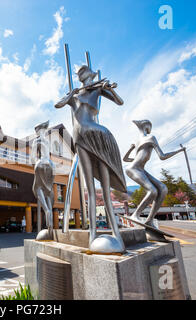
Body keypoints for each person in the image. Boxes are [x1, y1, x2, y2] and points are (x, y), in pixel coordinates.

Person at [55, 65, 126, 254]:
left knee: (105, 186)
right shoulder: (76, 96)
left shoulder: (99, 89)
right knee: (90, 190)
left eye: (84, 74)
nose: (82, 78)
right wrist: (69, 95)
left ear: (90, 76)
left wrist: (109, 88)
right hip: (80, 137)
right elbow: (58, 104)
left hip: (97, 134)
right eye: (80, 75)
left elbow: (120, 102)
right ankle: (93, 235)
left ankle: (117, 235)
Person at [123, 120, 185, 228]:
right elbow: (162, 156)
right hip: (134, 169)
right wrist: (178, 151)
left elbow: (126, 158)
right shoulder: (151, 138)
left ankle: (149, 220)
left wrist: (131, 148)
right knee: (152, 191)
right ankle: (135, 215)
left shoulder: (137, 141)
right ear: (147, 128)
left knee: (163, 188)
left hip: (139, 169)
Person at [30, 120, 55, 240]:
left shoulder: (37, 140)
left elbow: (32, 157)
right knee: (48, 190)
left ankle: (46, 209)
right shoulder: (47, 140)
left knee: (37, 188)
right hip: (50, 165)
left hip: (40, 164)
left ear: (37, 131)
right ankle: (49, 208)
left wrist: (34, 164)